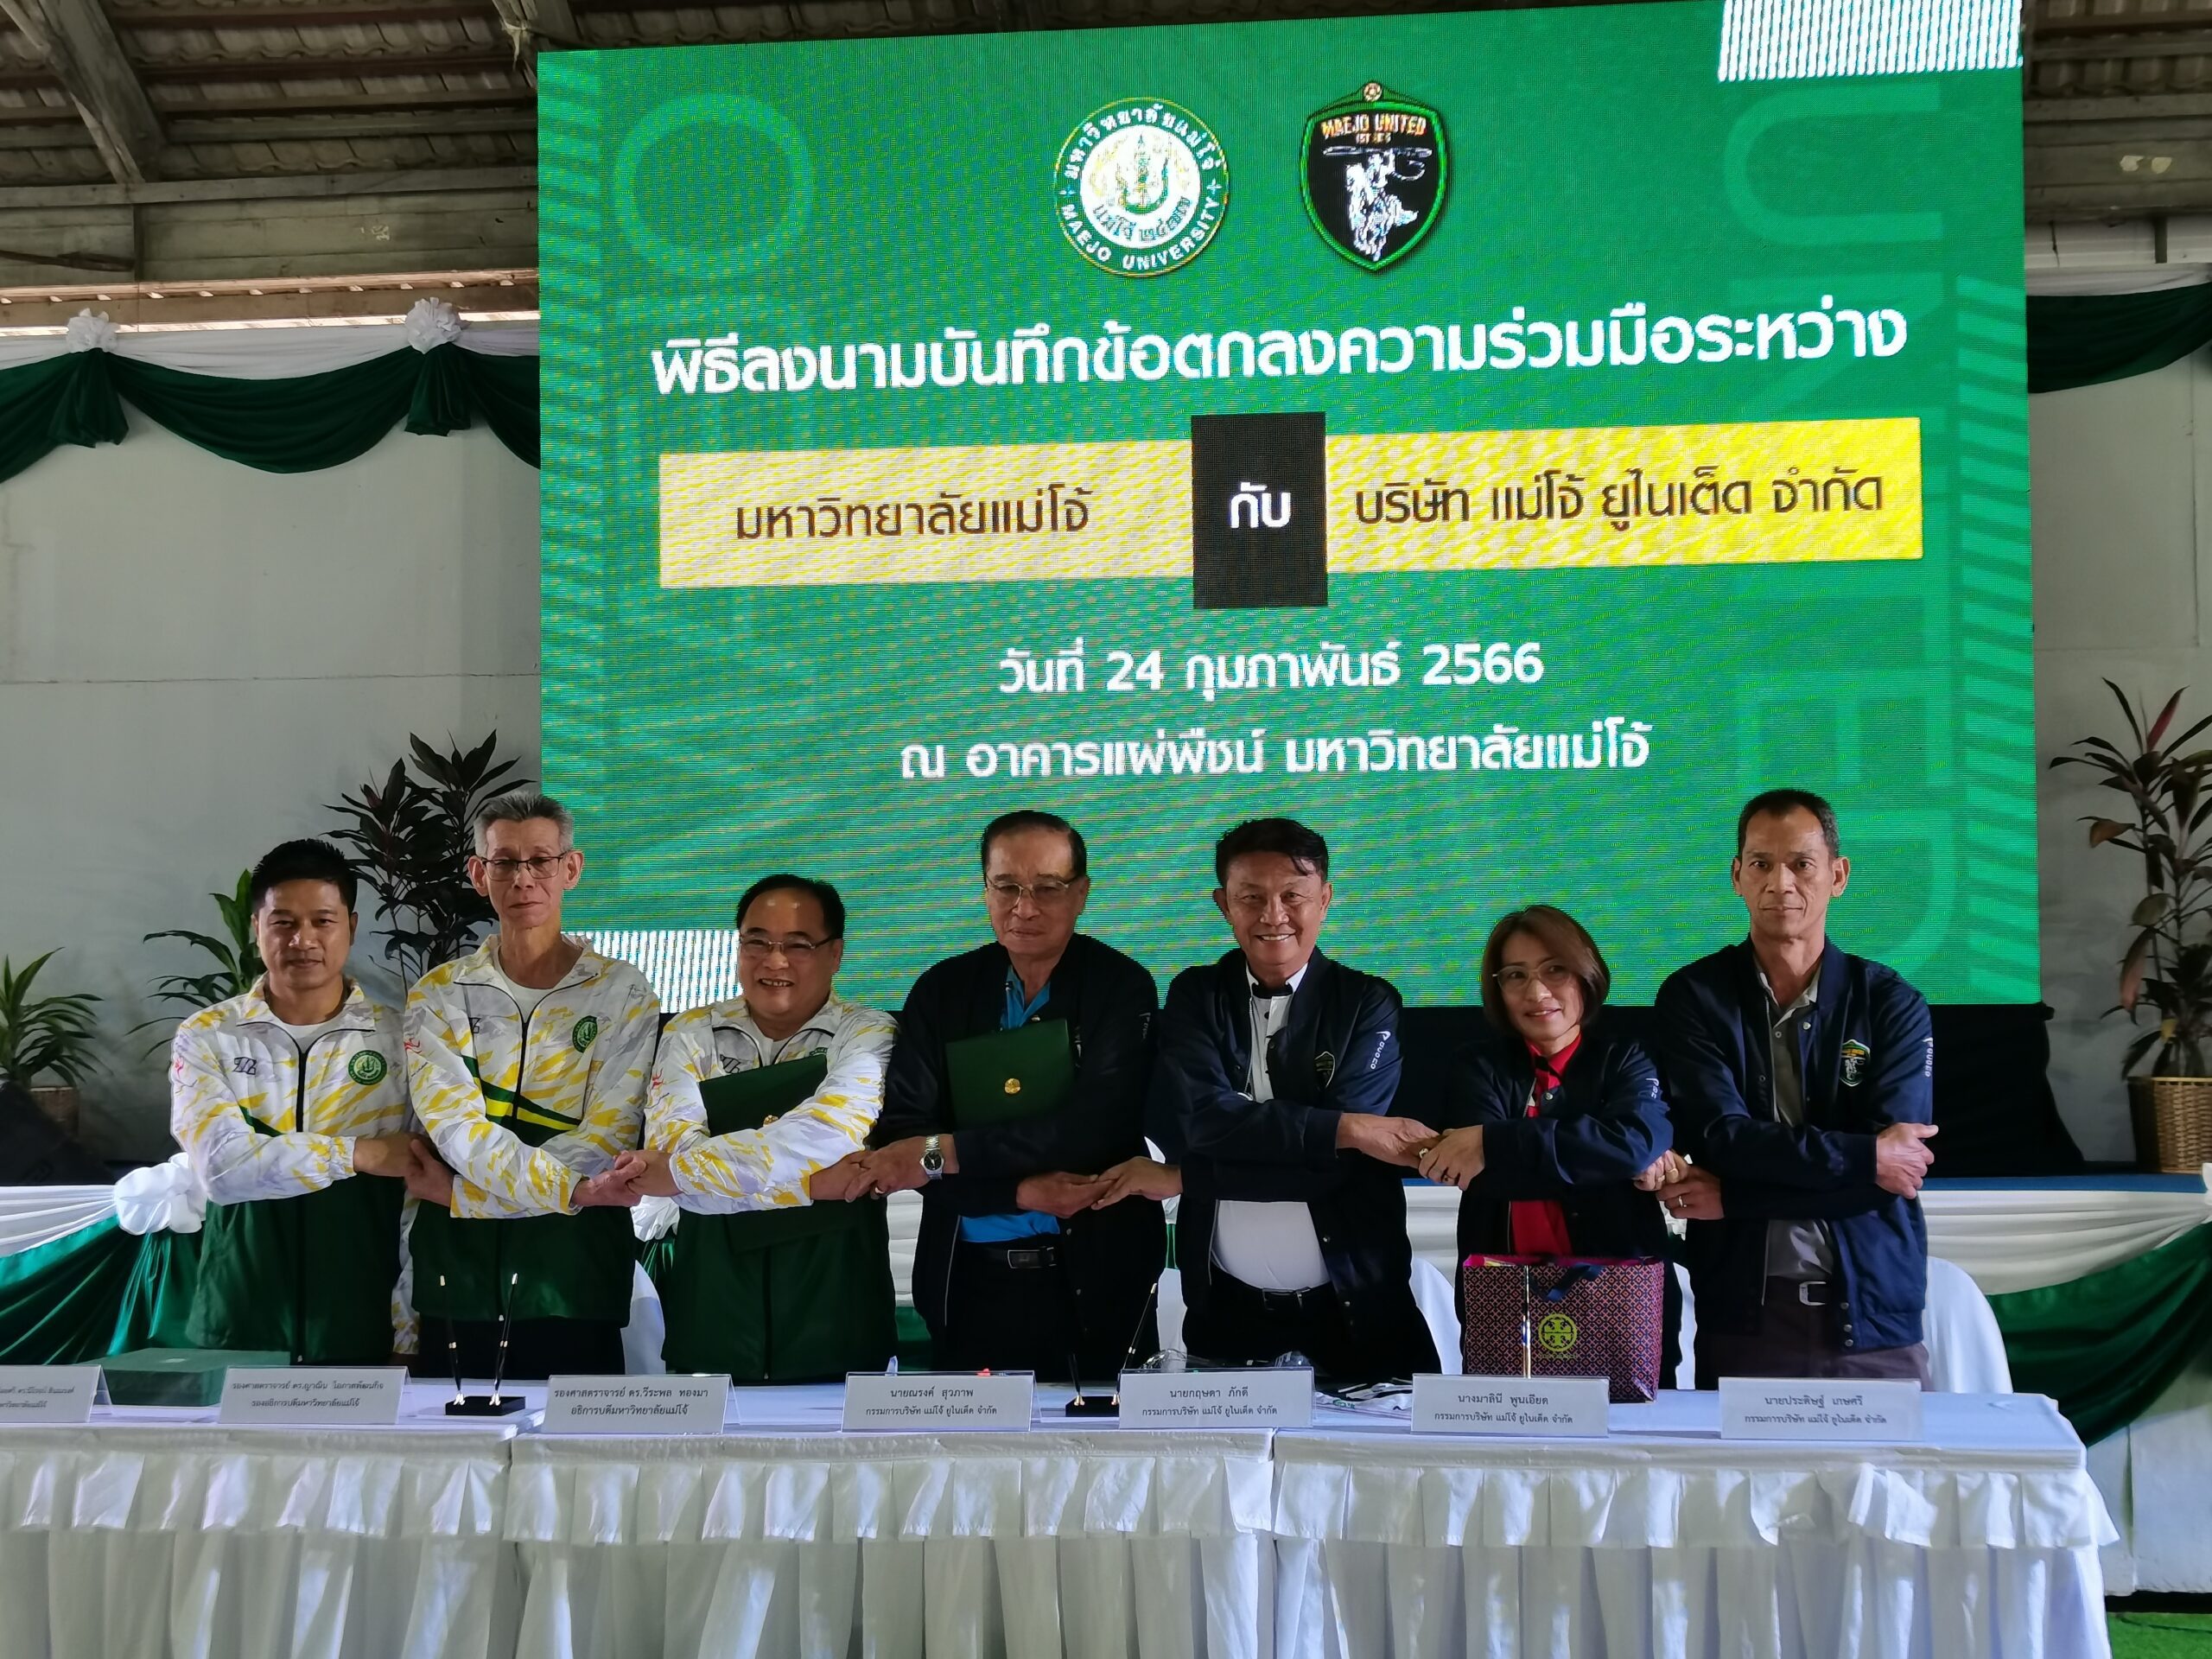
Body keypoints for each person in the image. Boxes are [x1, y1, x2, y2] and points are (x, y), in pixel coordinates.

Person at [855, 810, 1165, 1382]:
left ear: (1081, 894)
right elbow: (906, 1135)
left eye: (1047, 888)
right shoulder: (942, 990)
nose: (1025, 907)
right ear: (985, 891)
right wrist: (1016, 1191)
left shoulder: (1120, 986)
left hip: (1097, 1277)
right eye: (1006, 887)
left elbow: (1092, 1129)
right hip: (968, 1279)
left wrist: (946, 1151)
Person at [1655, 789, 1938, 1388]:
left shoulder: (1891, 1003)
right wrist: (1864, 1157)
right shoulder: (1696, 997)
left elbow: (1894, 1177)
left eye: (1801, 864)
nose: (1780, 883)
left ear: (1838, 876)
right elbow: (1724, 1140)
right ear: (1737, 875)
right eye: (1761, 863)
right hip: (1745, 1321)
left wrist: (1738, 1198)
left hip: (1873, 1320)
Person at [1155, 817, 1437, 1382]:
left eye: (1293, 896)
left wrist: (1194, 1175)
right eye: (1251, 897)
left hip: (1358, 1309)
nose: (1273, 915)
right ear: (1223, 904)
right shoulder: (1196, 995)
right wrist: (1346, 1128)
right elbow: (1204, 1123)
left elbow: (1335, 1168)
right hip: (1226, 1313)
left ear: (1324, 900)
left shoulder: (1367, 1002)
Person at [404, 791, 658, 1379]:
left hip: (572, 1272)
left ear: (571, 869)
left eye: (541, 860)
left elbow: (607, 1139)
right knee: (447, 1433)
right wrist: (577, 1191)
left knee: (580, 1438)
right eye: (505, 862)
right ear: (479, 874)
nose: (523, 878)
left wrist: (465, 1197)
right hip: (459, 1275)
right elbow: (457, 1134)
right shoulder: (439, 994)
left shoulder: (623, 993)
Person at [613, 874, 899, 1381]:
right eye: (757, 942)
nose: (775, 961)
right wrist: (814, 1185)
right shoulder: (690, 1032)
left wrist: (683, 1175)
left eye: (798, 945)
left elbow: (826, 1132)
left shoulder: (867, 1032)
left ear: (835, 954)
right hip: (713, 1301)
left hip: (835, 1301)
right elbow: (675, 1155)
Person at [169, 838, 414, 1363]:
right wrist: (361, 1153)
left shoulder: (400, 1041)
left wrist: (409, 1331)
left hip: (361, 1312)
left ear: (350, 926)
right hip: (241, 1311)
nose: (302, 939)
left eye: (322, 921)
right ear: (256, 927)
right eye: (283, 922)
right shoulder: (210, 1036)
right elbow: (221, 1170)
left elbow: (418, 1198)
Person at [1421, 905, 1681, 1379]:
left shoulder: (1627, 1059)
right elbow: (1480, 1174)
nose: (1537, 992)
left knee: (1634, 1424)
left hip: (1622, 1299)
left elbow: (1635, 1144)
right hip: (1504, 1297)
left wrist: (1493, 1141)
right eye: (1515, 975)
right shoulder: (1476, 1067)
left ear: (1586, 975)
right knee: (1507, 1422)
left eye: (1555, 970)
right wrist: (1601, 1154)